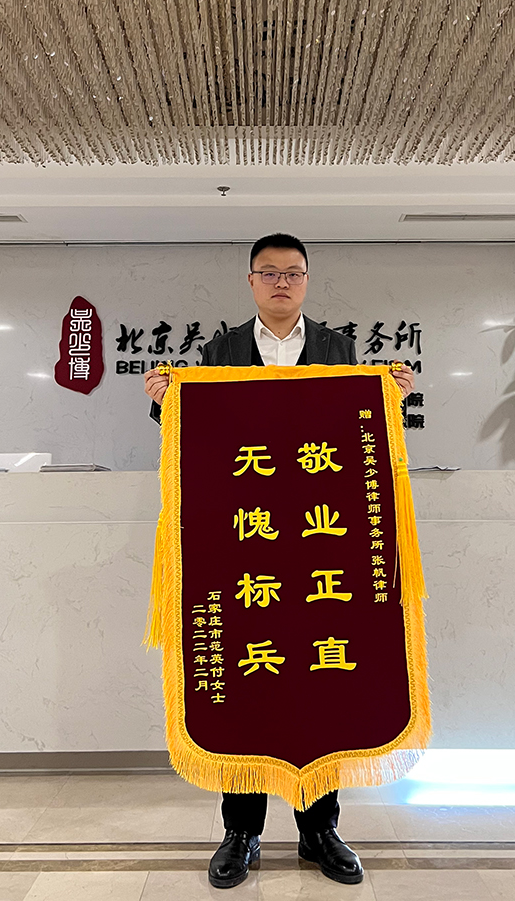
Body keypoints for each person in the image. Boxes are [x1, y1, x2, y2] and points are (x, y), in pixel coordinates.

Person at [144, 233, 415, 888]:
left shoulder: (338, 349)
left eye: (292, 272)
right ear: (250, 282)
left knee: (322, 683)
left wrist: (392, 400)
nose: (281, 282)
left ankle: (320, 830)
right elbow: (200, 435)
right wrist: (163, 401)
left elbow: (354, 435)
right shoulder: (220, 351)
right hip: (246, 542)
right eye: (269, 273)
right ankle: (241, 832)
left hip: (322, 542)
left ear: (307, 280)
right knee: (247, 682)